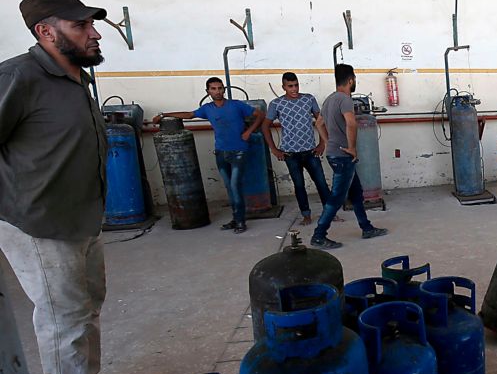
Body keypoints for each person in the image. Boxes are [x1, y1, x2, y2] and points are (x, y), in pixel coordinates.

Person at [0, 0, 148, 374]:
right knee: (64, 321)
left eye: (91, 25)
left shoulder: (74, 78)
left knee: (85, 310)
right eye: (81, 26)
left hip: (81, 218)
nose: (94, 33)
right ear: (46, 32)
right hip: (39, 223)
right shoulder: (18, 77)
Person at [152, 77, 264, 234]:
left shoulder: (236, 105)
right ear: (208, 91)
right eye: (213, 89)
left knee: (235, 186)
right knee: (229, 188)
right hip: (221, 152)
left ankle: (240, 221)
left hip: (239, 151)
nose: (217, 91)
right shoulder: (207, 108)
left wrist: (248, 132)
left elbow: (259, 114)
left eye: (220, 88)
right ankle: (235, 219)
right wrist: (163, 114)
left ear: (224, 89)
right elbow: (189, 115)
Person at [310, 64, 387, 249]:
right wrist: (352, 147)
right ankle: (319, 235)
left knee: (356, 193)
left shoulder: (329, 100)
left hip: (336, 153)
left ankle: (366, 227)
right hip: (344, 155)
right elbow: (351, 124)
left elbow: (319, 123)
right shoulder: (345, 99)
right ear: (351, 80)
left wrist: (328, 142)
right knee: (337, 197)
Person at [263, 72, 338, 226]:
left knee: (321, 183)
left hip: (311, 151)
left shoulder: (308, 99)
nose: (294, 88)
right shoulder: (276, 104)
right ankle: (306, 215)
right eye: (290, 86)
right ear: (283, 87)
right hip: (290, 154)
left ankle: (331, 213)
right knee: (299, 186)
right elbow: (265, 126)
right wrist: (274, 149)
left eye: (296, 85)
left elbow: (321, 121)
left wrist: (322, 144)